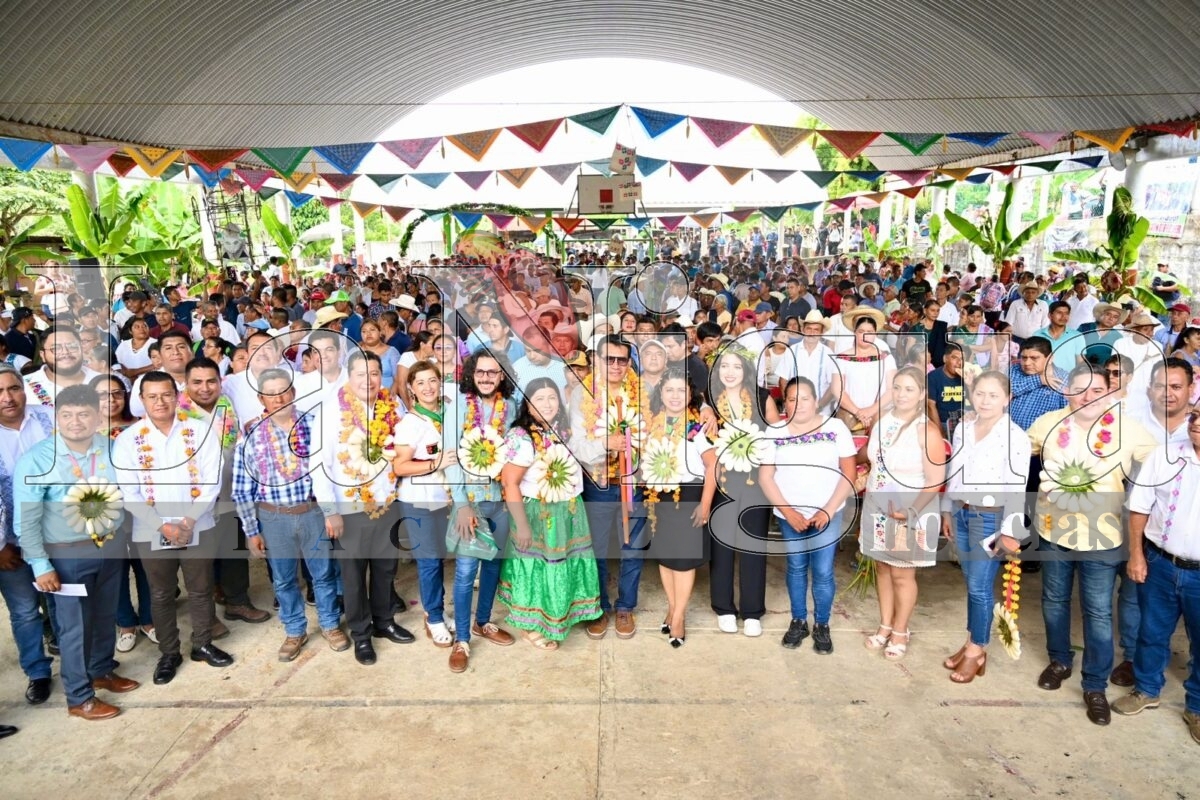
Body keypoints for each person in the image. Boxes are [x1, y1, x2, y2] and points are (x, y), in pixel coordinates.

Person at [1027, 363, 1156, 726]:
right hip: (1053, 532)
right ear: (1067, 391)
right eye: (1079, 388)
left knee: (1098, 612)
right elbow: (1013, 451)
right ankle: (1060, 660)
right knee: (1053, 600)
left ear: (1110, 393)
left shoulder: (1129, 432)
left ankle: (1094, 684)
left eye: (1096, 390)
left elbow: (1162, 465)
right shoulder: (1047, 424)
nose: (1086, 396)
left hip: (1104, 536)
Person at [14, 384, 139, 719]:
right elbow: (25, 521)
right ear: (56, 417)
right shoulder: (36, 460)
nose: (75, 422)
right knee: (73, 628)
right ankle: (79, 697)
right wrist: (41, 565)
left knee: (104, 615)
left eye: (84, 414)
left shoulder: (110, 448)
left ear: (98, 416)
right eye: (66, 415)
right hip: (66, 555)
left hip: (110, 546)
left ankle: (101, 670)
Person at [113, 371, 231, 686]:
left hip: (198, 524)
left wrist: (189, 520)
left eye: (166, 394)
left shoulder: (200, 430)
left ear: (176, 395)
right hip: (151, 531)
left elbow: (211, 481)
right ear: (141, 400)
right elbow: (130, 493)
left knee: (201, 588)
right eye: (152, 396)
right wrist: (162, 526)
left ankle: (203, 643)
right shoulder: (128, 440)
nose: (160, 402)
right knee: (161, 594)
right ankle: (169, 653)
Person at [233, 369, 347, 662]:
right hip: (273, 517)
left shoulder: (314, 425)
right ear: (261, 399)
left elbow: (330, 472)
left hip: (312, 513)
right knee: (284, 580)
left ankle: (331, 624)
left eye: (284, 391)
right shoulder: (250, 435)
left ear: (293, 393)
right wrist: (251, 531)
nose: (279, 398)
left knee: (323, 574)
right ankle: (295, 630)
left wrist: (332, 512)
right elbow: (242, 487)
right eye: (271, 394)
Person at [311, 351, 415, 666]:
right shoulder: (330, 412)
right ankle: (361, 634)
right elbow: (319, 466)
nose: (367, 380)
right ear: (349, 376)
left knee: (385, 570)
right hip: (349, 508)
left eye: (373, 373)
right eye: (360, 373)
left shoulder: (392, 407)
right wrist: (330, 511)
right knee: (353, 576)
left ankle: (384, 621)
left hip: (387, 503)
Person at [1114, 407, 1200, 744]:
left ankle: (1196, 707)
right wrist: (1137, 555)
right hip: (1161, 564)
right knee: (1150, 632)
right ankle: (1147, 689)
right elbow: (1140, 507)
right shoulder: (1164, 458)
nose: (1198, 425)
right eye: (1197, 418)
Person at [497, 378, 602, 649]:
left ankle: (557, 613)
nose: (547, 404)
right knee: (537, 565)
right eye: (540, 398)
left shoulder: (562, 431)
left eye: (552, 397)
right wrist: (521, 525)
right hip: (538, 512)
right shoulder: (521, 437)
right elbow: (509, 483)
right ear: (528, 404)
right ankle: (530, 626)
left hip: (568, 510)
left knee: (563, 562)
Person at [941, 371, 1031, 683]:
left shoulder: (1015, 436)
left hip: (990, 519)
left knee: (980, 587)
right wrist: (947, 510)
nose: (985, 401)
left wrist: (1010, 531)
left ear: (1007, 399)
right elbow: (954, 472)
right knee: (971, 584)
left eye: (993, 395)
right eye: (980, 394)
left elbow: (1017, 487)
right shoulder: (963, 428)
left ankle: (977, 651)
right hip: (962, 512)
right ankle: (970, 642)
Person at [759, 377, 857, 654]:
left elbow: (849, 473)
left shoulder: (835, 427)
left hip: (828, 512)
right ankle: (799, 620)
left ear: (815, 401)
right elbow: (766, 477)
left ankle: (822, 624)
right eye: (791, 399)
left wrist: (827, 509)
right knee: (796, 567)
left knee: (823, 571)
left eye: (804, 398)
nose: (798, 404)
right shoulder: (775, 431)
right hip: (791, 515)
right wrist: (788, 513)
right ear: (784, 403)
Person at [860, 366, 947, 661]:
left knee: (902, 574)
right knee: (882, 568)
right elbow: (872, 462)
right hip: (877, 506)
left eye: (909, 389)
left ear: (922, 394)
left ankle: (901, 630)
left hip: (908, 511)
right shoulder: (882, 421)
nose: (901, 394)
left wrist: (910, 511)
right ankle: (885, 625)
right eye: (897, 388)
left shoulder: (927, 431)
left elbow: (935, 479)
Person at [441, 349, 518, 671]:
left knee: (493, 567)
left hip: (499, 501)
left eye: (493, 372)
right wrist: (462, 504)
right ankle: (461, 639)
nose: (486, 377)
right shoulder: (458, 406)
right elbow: (451, 456)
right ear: (472, 374)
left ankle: (483, 622)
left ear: (502, 376)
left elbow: (515, 450)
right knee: (463, 574)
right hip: (469, 502)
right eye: (481, 372)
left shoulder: (510, 407)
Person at [573, 335, 648, 641]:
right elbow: (576, 442)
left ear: (629, 363)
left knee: (634, 548)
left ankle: (626, 606)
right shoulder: (580, 394)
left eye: (621, 360)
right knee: (597, 549)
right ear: (596, 360)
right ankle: (599, 607)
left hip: (635, 481)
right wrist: (606, 443)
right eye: (609, 359)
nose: (616, 365)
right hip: (599, 482)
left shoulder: (643, 393)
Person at [641, 369, 717, 648]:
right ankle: (672, 607)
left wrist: (705, 504)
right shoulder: (653, 425)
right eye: (669, 390)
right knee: (665, 556)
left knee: (683, 560)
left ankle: (680, 616)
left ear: (690, 396)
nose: (675, 396)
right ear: (660, 394)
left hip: (689, 495)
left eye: (681, 391)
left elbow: (713, 467)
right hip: (661, 496)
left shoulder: (696, 427)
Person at [707, 343, 778, 638]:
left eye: (737, 366)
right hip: (722, 480)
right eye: (724, 366)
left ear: (746, 369)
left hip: (756, 481)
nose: (730, 372)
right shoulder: (709, 400)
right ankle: (723, 607)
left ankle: (751, 611)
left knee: (752, 545)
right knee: (721, 546)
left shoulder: (762, 398)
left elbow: (777, 436)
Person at [0, 364, 55, 707]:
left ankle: (82, 664)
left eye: (13, 388)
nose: (7, 398)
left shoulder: (48, 419)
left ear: (24, 389)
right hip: (11, 546)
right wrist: (1, 545)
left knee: (62, 600)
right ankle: (38, 672)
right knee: (23, 611)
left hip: (56, 532)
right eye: (0, 392)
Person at [392, 362, 457, 648]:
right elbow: (400, 466)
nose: (428, 387)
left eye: (433, 380)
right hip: (420, 502)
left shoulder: (448, 414)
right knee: (429, 562)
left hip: (444, 500)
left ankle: (439, 611)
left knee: (439, 558)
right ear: (411, 388)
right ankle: (433, 618)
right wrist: (435, 463)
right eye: (421, 383)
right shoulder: (411, 423)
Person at [830, 311, 897, 435]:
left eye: (869, 332)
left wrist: (870, 411)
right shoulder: (842, 358)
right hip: (849, 414)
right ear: (855, 333)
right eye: (861, 332)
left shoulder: (886, 357)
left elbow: (891, 389)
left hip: (880, 413)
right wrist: (858, 412)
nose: (865, 335)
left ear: (875, 334)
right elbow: (837, 390)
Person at [23, 326, 101, 410]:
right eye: (56, 348)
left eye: (72, 346)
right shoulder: (23, 386)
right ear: (43, 355)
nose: (65, 352)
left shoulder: (103, 381)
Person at [359, 319, 401, 390]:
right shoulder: (354, 352)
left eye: (372, 330)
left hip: (386, 396)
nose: (368, 334)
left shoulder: (392, 352)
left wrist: (389, 398)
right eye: (364, 331)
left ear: (380, 332)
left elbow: (398, 380)